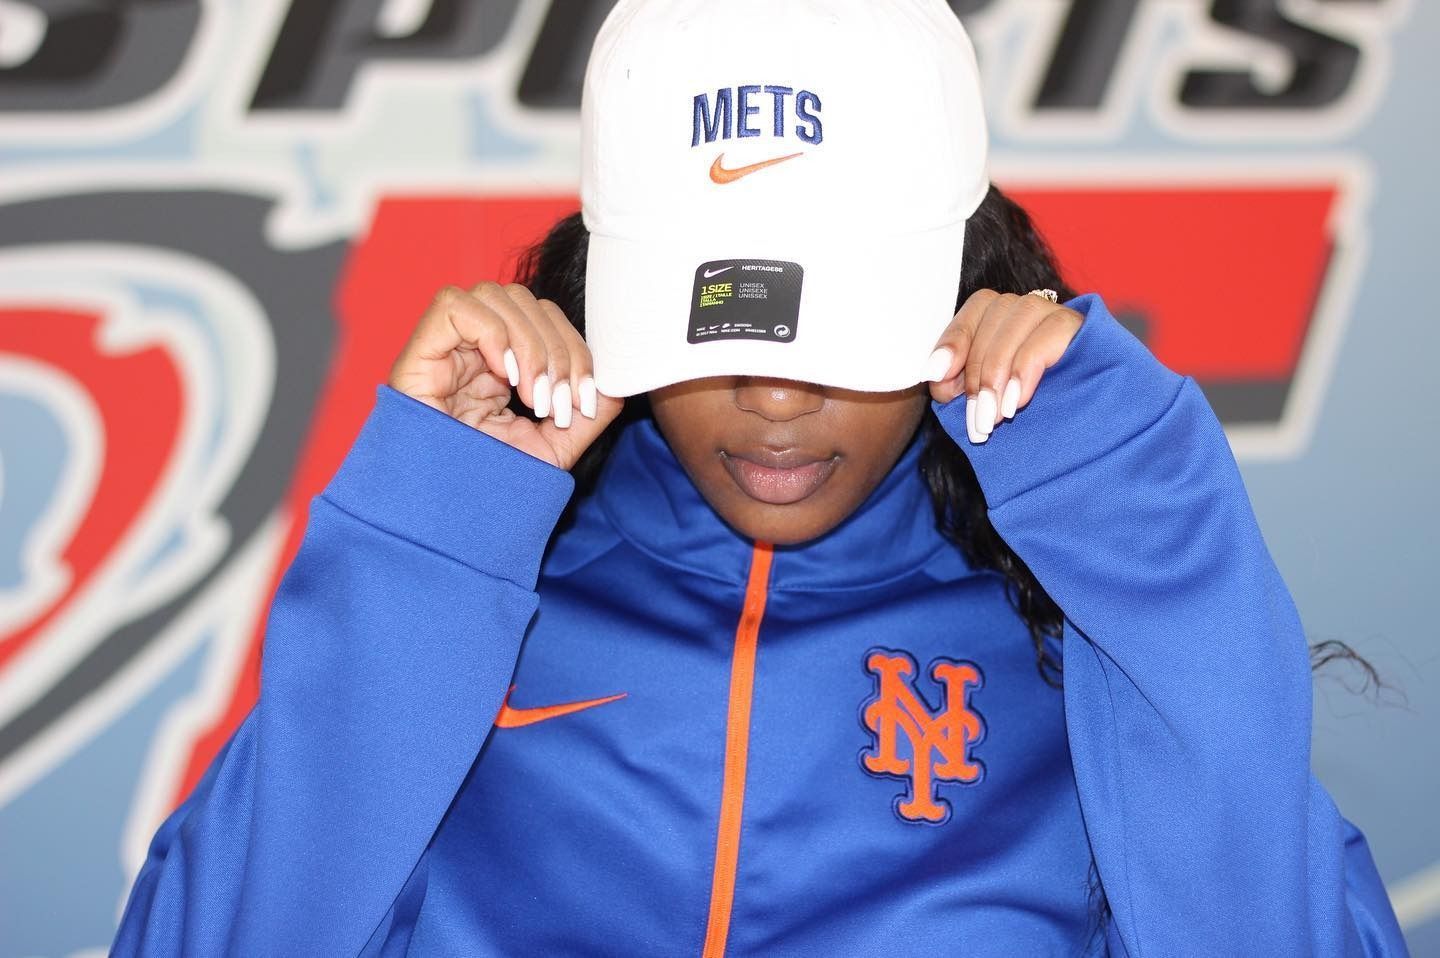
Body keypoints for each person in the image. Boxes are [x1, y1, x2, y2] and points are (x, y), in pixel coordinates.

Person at [111, 1, 1408, 955]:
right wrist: (429, 551)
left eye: (840, 329)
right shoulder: (472, 604)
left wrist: (1148, 542)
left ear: (961, 291)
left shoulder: (1081, 640)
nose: (780, 397)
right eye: (717, 324)